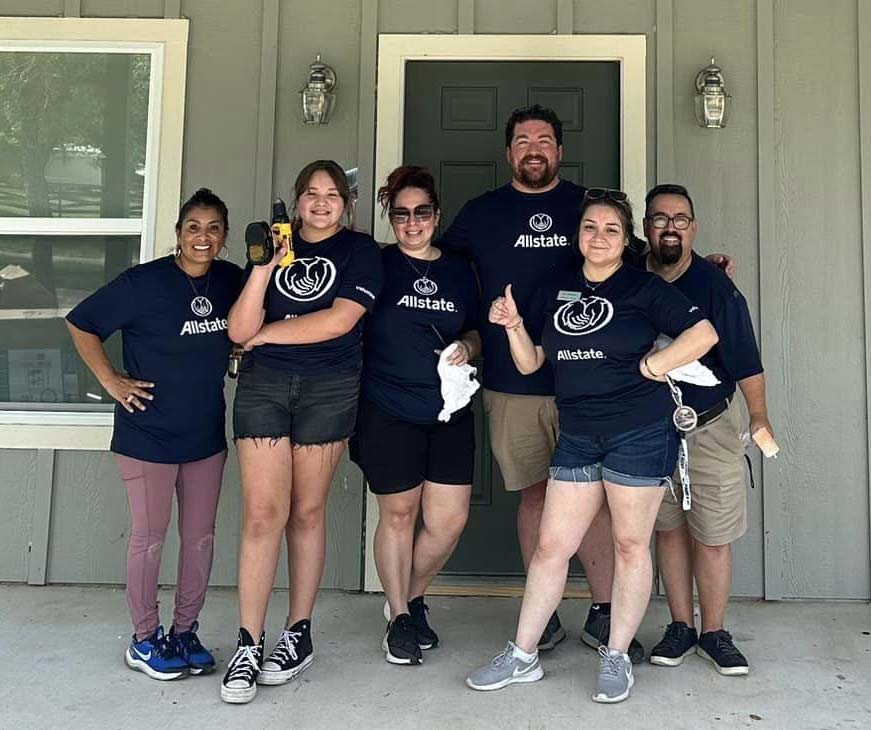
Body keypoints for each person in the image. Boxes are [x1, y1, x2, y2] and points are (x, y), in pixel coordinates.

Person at [466, 189, 719, 703]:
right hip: (578, 434)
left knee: (629, 545)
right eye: (589, 227)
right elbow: (533, 363)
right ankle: (522, 654)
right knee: (551, 547)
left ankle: (618, 656)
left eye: (610, 230)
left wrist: (653, 367)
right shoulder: (555, 285)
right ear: (578, 234)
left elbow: (705, 334)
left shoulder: (643, 288)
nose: (598, 237)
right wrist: (514, 327)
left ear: (626, 240)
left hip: (640, 433)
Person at [439, 104, 639, 659]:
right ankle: (542, 615)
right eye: (523, 140)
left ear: (559, 151)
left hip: (591, 380)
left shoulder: (587, 208)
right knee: (534, 495)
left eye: (545, 140)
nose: (534, 148)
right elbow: (435, 266)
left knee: (594, 498)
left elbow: (641, 268)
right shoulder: (481, 214)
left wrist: (700, 269)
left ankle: (603, 610)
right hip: (512, 380)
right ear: (509, 153)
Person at [220, 160, 383, 704]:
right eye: (310, 193)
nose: (320, 202)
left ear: (347, 203)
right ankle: (248, 643)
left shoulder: (360, 253)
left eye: (332, 194)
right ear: (296, 200)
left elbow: (339, 320)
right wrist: (265, 265)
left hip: (329, 388)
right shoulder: (270, 249)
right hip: (264, 390)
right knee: (264, 513)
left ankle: (297, 633)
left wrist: (267, 334)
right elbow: (236, 329)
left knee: (307, 512)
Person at [66, 188, 242, 680]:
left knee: (200, 539)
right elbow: (81, 323)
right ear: (178, 233)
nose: (202, 237)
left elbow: (253, 321)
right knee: (148, 538)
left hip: (205, 435)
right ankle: (144, 639)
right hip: (148, 436)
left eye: (212, 228)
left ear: (224, 237)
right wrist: (110, 380)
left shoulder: (232, 281)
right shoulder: (143, 283)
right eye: (192, 227)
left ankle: (185, 632)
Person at [350, 166, 481, 665]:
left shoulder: (458, 270)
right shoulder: (375, 264)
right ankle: (403, 617)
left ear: (436, 215)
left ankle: (402, 598)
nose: (411, 223)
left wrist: (467, 347)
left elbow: (475, 330)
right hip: (387, 406)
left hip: (449, 409)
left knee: (449, 520)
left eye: (421, 212)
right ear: (391, 217)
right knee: (399, 515)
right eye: (401, 214)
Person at [643, 184, 771, 676]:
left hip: (711, 426)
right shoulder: (630, 276)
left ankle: (714, 631)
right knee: (669, 529)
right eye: (660, 219)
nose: (670, 226)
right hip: (650, 430)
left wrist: (759, 417)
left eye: (680, 219)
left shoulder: (716, 287)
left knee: (713, 535)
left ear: (692, 228)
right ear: (647, 228)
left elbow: (746, 360)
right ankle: (680, 626)